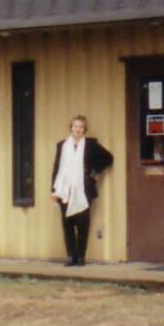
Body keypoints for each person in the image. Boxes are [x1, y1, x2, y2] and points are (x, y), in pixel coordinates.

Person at [51, 114, 113, 266]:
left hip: (84, 190)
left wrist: (94, 171)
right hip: (65, 189)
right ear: (71, 128)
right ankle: (71, 256)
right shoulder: (62, 145)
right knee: (67, 224)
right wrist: (53, 189)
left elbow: (107, 158)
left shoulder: (91, 144)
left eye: (81, 126)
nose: (78, 129)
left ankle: (80, 257)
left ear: (84, 129)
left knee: (83, 224)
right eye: (75, 126)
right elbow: (57, 168)